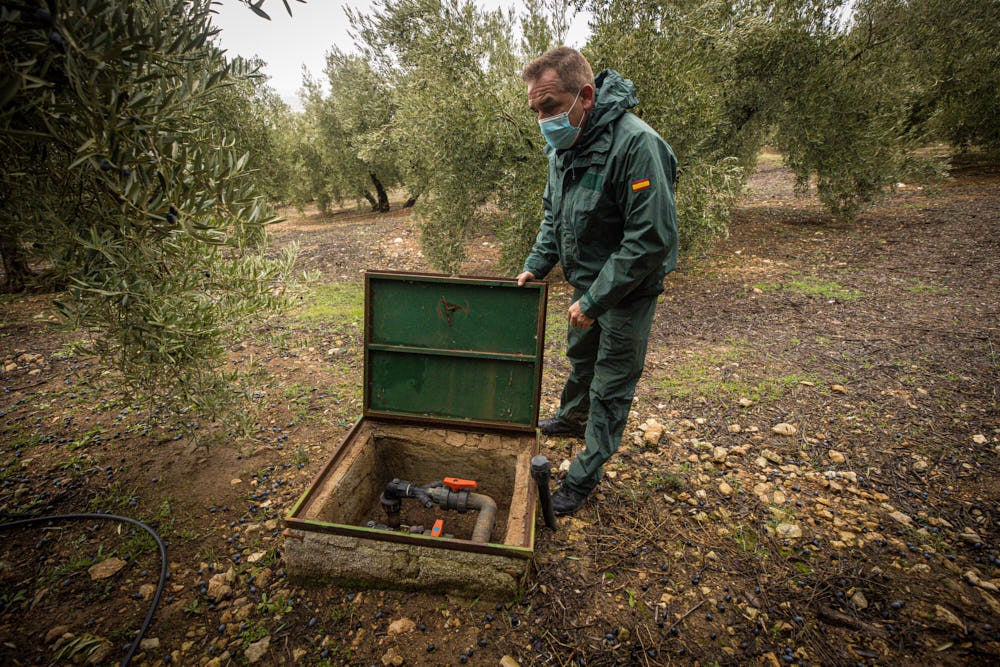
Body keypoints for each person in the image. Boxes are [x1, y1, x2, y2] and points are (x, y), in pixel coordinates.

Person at [516, 47, 678, 516]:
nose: (543, 120)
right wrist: (536, 264)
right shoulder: (563, 147)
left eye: (549, 106)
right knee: (581, 360)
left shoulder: (637, 145)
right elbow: (554, 215)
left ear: (585, 96)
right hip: (585, 286)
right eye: (536, 110)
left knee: (610, 383)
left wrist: (595, 301)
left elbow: (649, 239)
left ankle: (583, 478)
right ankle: (571, 419)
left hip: (628, 292)